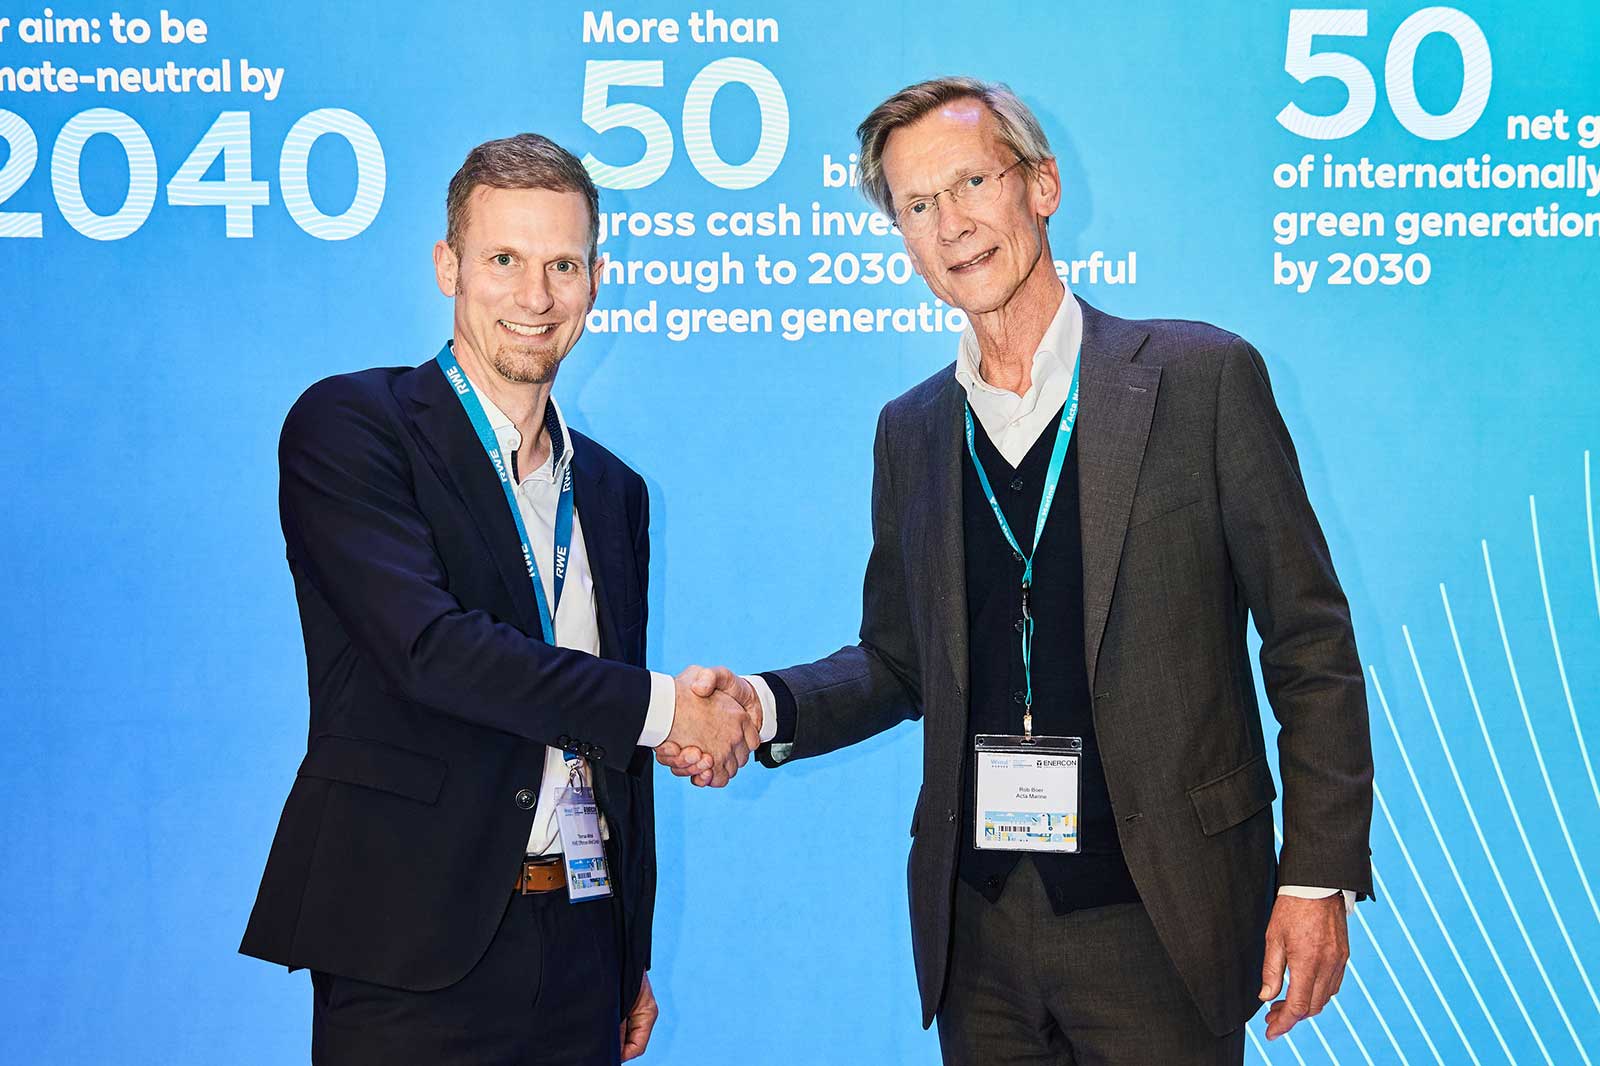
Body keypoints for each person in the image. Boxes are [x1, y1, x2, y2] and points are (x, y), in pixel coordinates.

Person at [661, 77, 1374, 1064]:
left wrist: (1317, 873)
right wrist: (760, 704)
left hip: (1161, 924)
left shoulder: (1201, 380)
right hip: (982, 939)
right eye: (917, 205)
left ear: (1039, 186)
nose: (950, 224)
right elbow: (894, 661)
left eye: (970, 183)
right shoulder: (910, 431)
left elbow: (1310, 642)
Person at [240, 133, 760, 1066]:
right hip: (410, 945)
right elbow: (431, 650)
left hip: (579, 946)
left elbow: (612, 750)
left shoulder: (612, 490)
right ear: (449, 267)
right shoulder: (353, 426)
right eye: (505, 261)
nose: (536, 297)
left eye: (563, 264)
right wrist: (669, 707)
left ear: (595, 281)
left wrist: (626, 949)